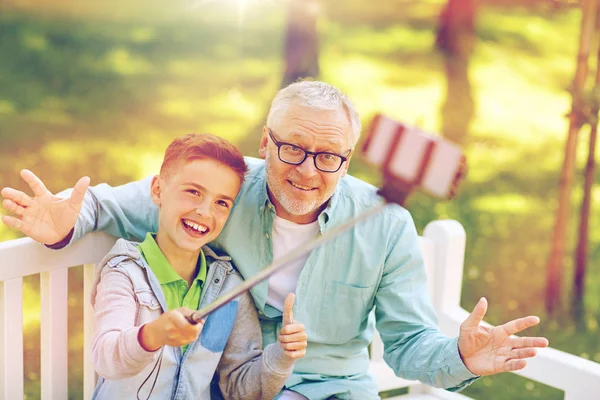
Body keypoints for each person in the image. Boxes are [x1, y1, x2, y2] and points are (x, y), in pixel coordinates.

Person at [1, 81, 549, 400]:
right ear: (266, 141)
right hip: (242, 387)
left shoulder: (384, 224)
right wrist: (63, 226)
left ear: (349, 159)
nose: (308, 172)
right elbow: (117, 205)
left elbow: (407, 347)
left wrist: (462, 357)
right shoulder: (226, 192)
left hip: (338, 390)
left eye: (329, 156)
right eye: (291, 149)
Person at [86, 133, 307, 399]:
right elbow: (106, 357)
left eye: (221, 203)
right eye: (193, 192)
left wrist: (281, 358)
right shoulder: (125, 273)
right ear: (158, 190)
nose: (204, 211)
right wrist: (153, 334)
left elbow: (240, 389)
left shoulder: (230, 289)